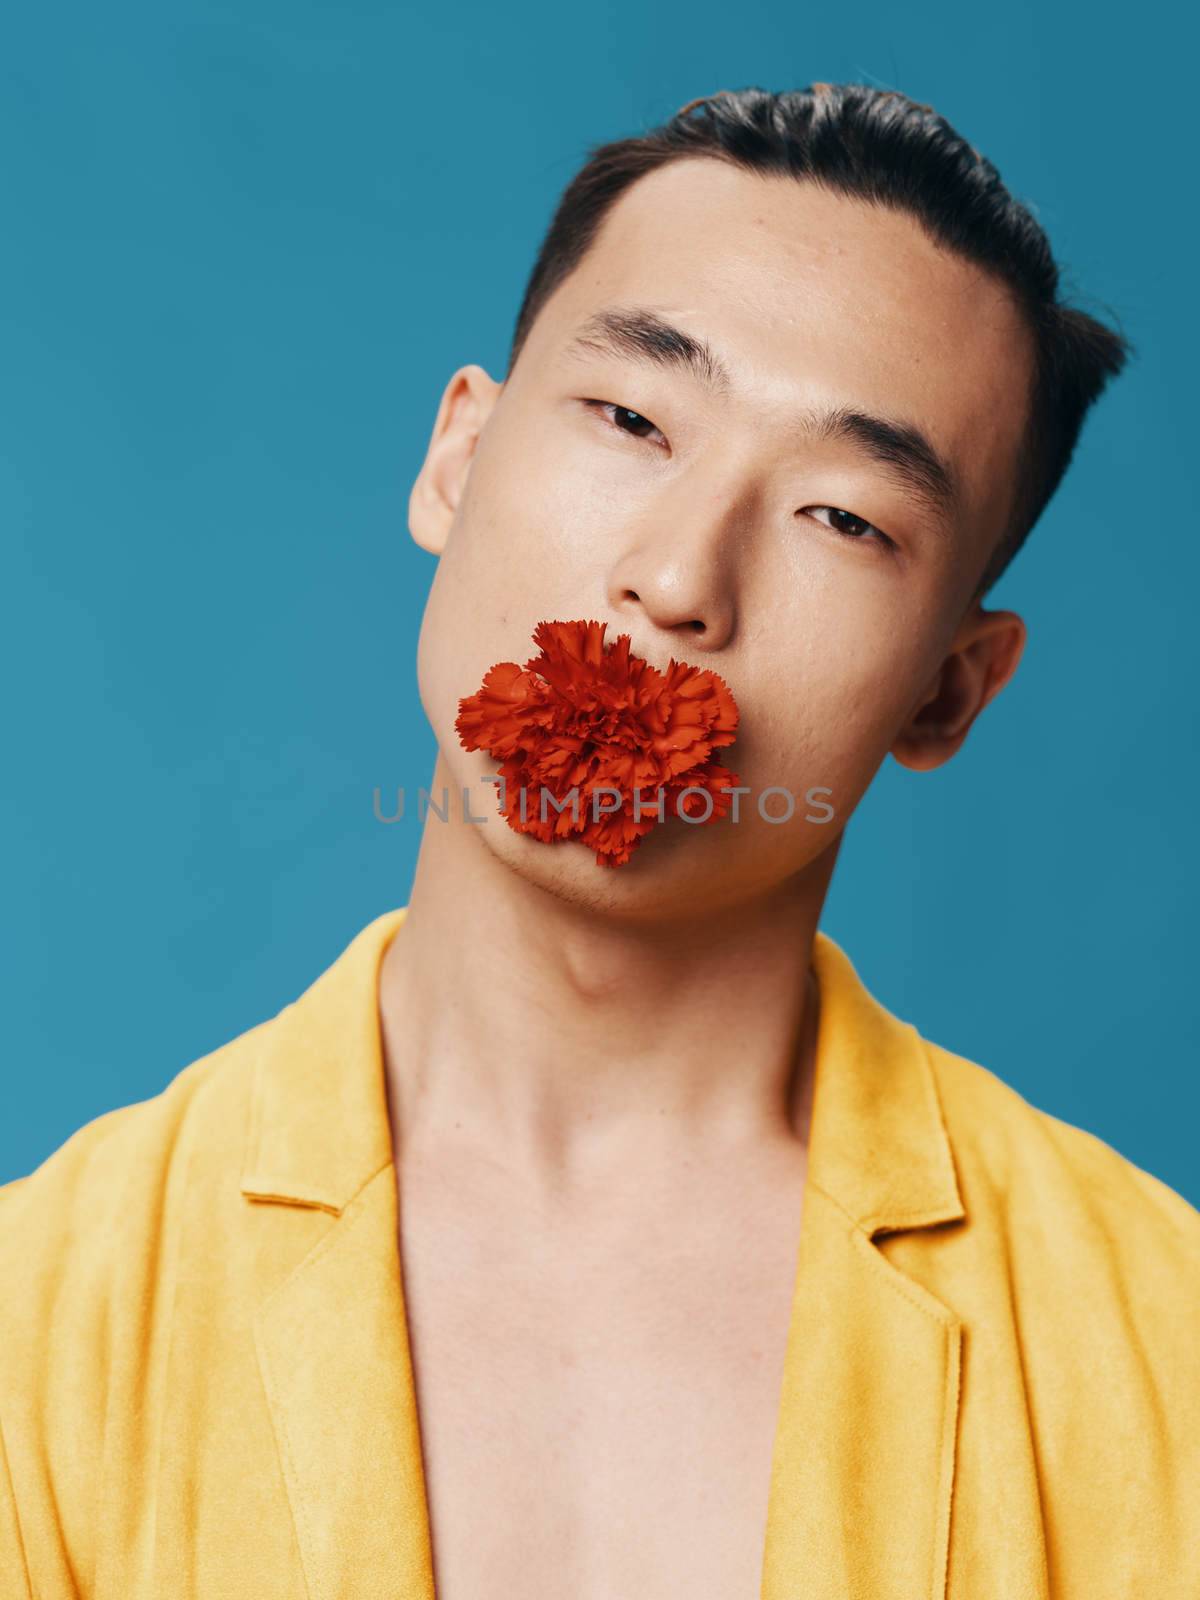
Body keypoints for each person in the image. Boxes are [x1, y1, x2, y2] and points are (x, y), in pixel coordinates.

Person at [2, 83, 1196, 1599]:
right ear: (456, 462)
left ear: (949, 689)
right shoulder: (39, 1328)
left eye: (842, 517)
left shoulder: (1163, 1347)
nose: (680, 579)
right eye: (634, 419)